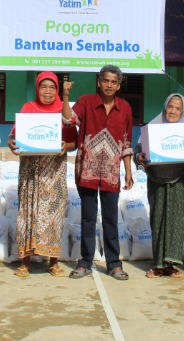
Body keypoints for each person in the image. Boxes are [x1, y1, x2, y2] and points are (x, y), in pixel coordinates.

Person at [62, 65, 134, 281]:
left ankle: (114, 264)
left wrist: (128, 171)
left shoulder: (125, 108)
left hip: (112, 173)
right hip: (87, 171)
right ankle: (85, 262)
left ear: (119, 85)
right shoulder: (86, 102)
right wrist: (65, 96)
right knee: (88, 218)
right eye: (105, 80)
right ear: (99, 82)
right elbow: (68, 120)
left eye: (113, 82)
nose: (109, 85)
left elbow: (127, 143)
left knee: (111, 219)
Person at [8, 72, 77, 278]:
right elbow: (14, 135)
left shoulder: (63, 109)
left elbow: (74, 141)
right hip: (30, 171)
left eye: (52, 87)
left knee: (53, 216)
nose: (47, 91)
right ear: (37, 89)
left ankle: (53, 262)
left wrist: (66, 146)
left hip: (54, 171)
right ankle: (25, 262)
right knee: (28, 214)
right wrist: (11, 143)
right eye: (43, 87)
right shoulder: (28, 108)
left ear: (57, 90)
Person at [134, 93, 184, 279]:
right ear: (164, 107)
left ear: (183, 112)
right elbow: (139, 151)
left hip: (178, 181)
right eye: (170, 106)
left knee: (175, 222)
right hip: (156, 180)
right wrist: (139, 158)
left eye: (178, 108)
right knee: (158, 220)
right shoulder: (152, 129)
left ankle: (171, 265)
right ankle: (158, 265)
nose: (173, 111)